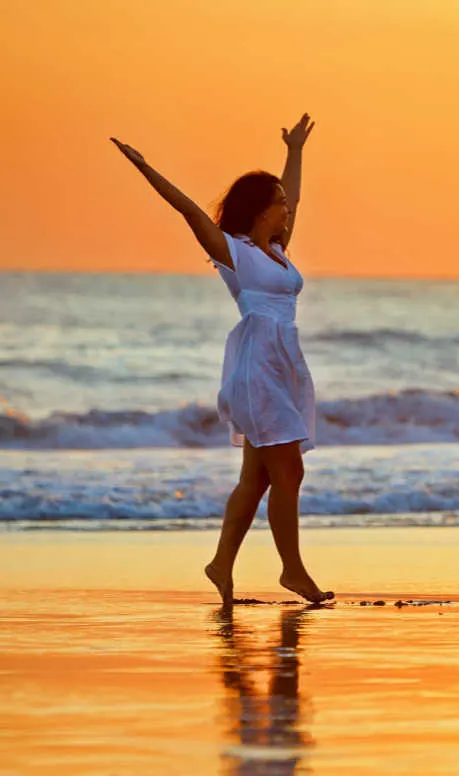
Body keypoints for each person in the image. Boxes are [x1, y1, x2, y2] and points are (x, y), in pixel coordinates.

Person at [111, 114, 333, 606]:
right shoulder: (233, 252)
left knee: (256, 480)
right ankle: (293, 571)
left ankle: (219, 565)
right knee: (289, 472)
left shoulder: (276, 250)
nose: (287, 210)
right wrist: (145, 169)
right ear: (259, 210)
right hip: (257, 371)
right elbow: (189, 211)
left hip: (283, 366)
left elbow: (295, 194)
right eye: (278, 205)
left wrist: (295, 150)